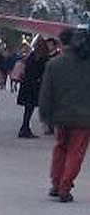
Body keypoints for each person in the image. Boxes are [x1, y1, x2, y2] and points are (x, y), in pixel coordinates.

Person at [39, 27, 90, 202]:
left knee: (60, 148)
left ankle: (56, 182)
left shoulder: (54, 64)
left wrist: (45, 115)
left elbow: (46, 93)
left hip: (60, 116)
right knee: (76, 152)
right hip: (84, 118)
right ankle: (65, 187)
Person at [18, 38, 52, 137]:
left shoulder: (32, 56)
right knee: (31, 107)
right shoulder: (43, 58)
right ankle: (25, 128)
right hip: (35, 85)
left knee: (28, 108)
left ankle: (24, 127)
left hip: (28, 84)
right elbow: (43, 72)